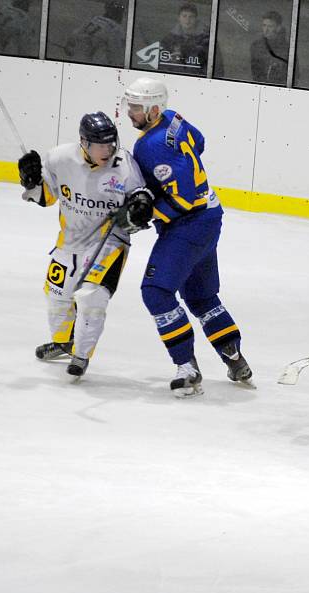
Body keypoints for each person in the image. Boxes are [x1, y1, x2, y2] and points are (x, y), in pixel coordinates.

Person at [119, 77, 252, 397]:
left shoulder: (149, 145)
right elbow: (200, 141)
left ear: (154, 108)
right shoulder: (173, 118)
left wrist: (148, 213)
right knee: (201, 297)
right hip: (209, 216)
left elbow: (185, 198)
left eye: (136, 107)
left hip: (189, 224)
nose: (129, 113)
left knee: (155, 291)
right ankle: (235, 358)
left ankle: (187, 366)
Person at [17, 111, 153, 377]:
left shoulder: (123, 162)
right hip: (69, 243)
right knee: (56, 298)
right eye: (101, 144)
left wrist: (141, 206)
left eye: (111, 142)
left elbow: (140, 194)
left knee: (92, 298)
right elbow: (45, 198)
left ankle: (81, 355)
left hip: (108, 242)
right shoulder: (59, 158)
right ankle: (65, 342)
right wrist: (30, 180)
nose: (108, 149)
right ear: (83, 142)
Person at [160, 2, 223, 77]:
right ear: (179, 18)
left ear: (196, 19)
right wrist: (172, 61)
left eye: (191, 17)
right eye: (184, 16)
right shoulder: (169, 39)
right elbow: (160, 66)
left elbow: (217, 67)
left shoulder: (207, 39)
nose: (187, 20)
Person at [63, 0, 125, 66]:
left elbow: (73, 37)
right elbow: (116, 58)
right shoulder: (116, 29)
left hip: (74, 61)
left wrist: (69, 47)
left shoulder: (94, 19)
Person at [250, 10, 288, 85]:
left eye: (270, 26)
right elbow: (254, 72)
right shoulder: (256, 46)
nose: (266, 30)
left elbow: (294, 75)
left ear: (278, 28)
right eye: (264, 25)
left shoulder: (287, 49)